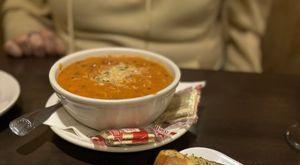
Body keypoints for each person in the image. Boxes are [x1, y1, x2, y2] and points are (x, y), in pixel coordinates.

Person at [2, 0, 272, 72]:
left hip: (195, 81)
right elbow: (22, 5)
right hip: (71, 82)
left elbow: (245, 30)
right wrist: (26, 30)